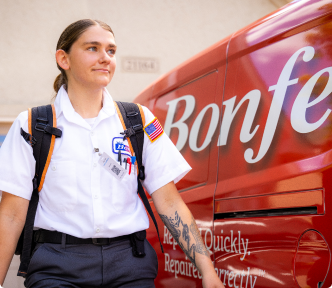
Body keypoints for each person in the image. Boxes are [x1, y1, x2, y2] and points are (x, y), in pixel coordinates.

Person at [0, 19, 224, 288]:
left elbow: (170, 202)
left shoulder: (138, 120)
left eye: (111, 50)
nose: (105, 58)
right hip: (57, 268)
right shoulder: (31, 126)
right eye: (92, 48)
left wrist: (208, 272)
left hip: (129, 265)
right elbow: (11, 216)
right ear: (64, 59)